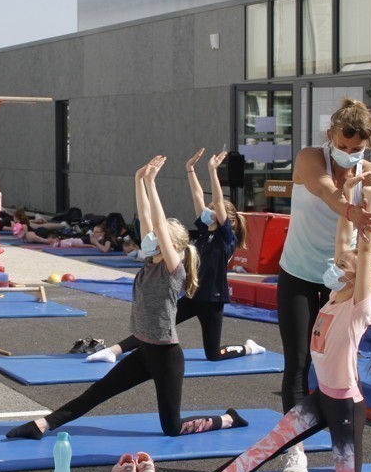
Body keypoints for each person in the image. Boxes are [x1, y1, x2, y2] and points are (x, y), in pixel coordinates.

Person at [164, 176, 371, 472]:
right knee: (268, 445)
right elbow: (345, 239)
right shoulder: (334, 295)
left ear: (357, 277)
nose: (334, 268)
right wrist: (348, 200)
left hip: (346, 406)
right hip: (322, 398)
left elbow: (365, 250)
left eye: (343, 267)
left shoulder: (358, 307)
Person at [6, 156, 248, 441]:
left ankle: (227, 418)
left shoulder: (173, 269)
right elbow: (147, 218)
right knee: (96, 392)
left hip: (166, 357)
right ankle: (41, 426)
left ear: (169, 244)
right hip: (145, 351)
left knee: (173, 428)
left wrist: (154, 183)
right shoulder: (150, 260)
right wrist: (140, 180)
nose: (150, 237)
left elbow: (157, 222)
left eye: (158, 236)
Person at [273, 97, 371, 472]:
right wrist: (351, 208)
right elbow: (324, 189)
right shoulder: (310, 158)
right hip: (299, 272)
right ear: (331, 136)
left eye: (357, 149)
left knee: (342, 366)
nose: (349, 153)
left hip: (341, 280)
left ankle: (346, 444)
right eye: (343, 145)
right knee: (299, 361)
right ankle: (295, 451)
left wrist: (368, 201)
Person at [88, 148, 263, 365]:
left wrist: (212, 171)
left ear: (221, 217)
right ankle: (115, 350)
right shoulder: (205, 229)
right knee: (155, 325)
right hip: (192, 295)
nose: (206, 212)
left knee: (213, 354)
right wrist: (189, 169)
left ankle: (249, 348)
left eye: (212, 211)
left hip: (212, 300)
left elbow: (218, 201)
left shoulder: (226, 239)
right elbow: (198, 197)